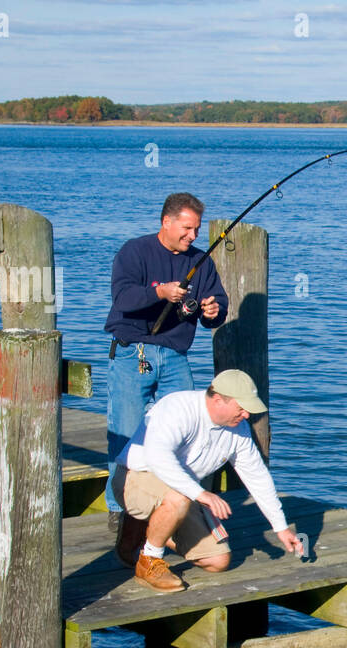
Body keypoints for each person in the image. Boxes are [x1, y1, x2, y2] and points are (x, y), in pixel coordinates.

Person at [112, 369, 304, 592]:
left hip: (181, 492)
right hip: (135, 478)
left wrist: (280, 527)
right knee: (180, 497)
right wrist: (201, 494)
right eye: (241, 408)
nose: (246, 415)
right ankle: (149, 562)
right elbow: (158, 458)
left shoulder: (239, 429)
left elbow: (257, 476)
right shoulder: (178, 408)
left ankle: (150, 525)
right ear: (218, 399)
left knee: (218, 562)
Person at [104, 192, 228, 536]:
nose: (192, 237)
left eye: (197, 230)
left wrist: (214, 310)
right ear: (167, 222)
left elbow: (216, 306)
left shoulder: (202, 262)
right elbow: (123, 298)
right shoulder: (135, 251)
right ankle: (120, 515)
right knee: (126, 435)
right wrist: (160, 293)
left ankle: (178, 506)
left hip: (175, 356)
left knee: (187, 431)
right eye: (186, 229)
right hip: (133, 353)